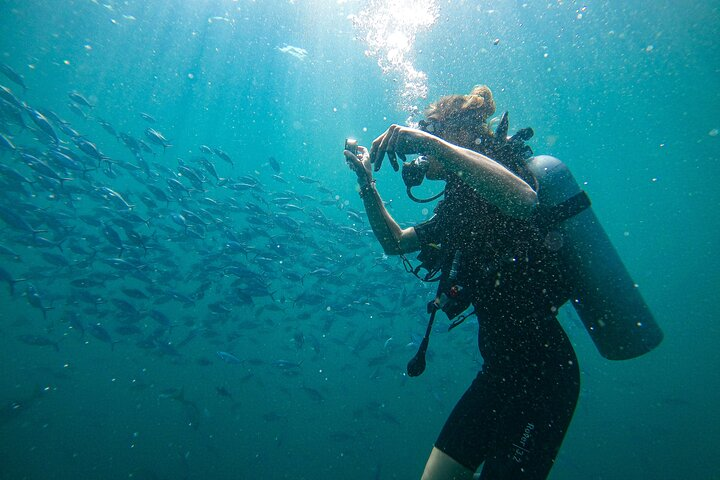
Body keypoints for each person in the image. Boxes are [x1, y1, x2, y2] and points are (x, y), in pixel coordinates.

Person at [344, 85, 580, 479]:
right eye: (423, 132)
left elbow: (524, 200)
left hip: (543, 375)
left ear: (463, 132)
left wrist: (428, 142)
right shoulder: (459, 207)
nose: (422, 146)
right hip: (499, 372)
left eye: (434, 130)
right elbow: (395, 242)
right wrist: (367, 182)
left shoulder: (501, 176)